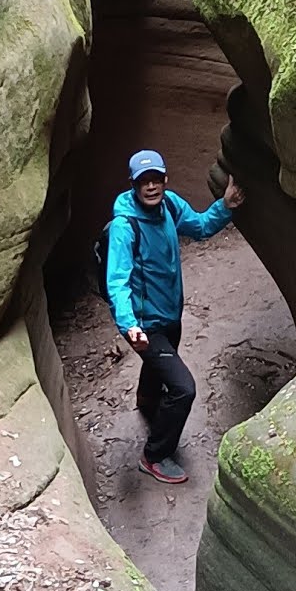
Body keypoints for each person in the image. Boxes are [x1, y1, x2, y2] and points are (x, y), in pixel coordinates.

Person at [104, 149, 245, 484]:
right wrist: (129, 325)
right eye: (144, 182)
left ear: (165, 180)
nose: (151, 187)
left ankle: (147, 400)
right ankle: (153, 456)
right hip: (145, 325)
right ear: (133, 185)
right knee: (183, 389)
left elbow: (197, 226)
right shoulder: (125, 226)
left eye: (156, 179)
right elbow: (117, 280)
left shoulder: (169, 205)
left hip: (170, 315)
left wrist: (225, 206)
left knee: (160, 367)